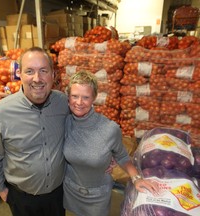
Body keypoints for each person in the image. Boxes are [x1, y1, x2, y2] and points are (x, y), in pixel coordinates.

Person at [0, 47, 69, 216]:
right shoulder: (1, 112)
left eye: (43, 71)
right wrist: (0, 188)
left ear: (53, 75)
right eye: (29, 71)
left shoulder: (63, 103)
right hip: (22, 199)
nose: (37, 78)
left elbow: (84, 125)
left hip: (57, 195)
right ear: (20, 75)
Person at [63, 70, 158, 216]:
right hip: (70, 192)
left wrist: (137, 179)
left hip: (97, 197)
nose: (79, 102)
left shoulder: (109, 129)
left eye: (86, 97)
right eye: (74, 96)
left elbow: (122, 156)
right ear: (68, 97)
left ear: (94, 97)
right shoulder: (65, 122)